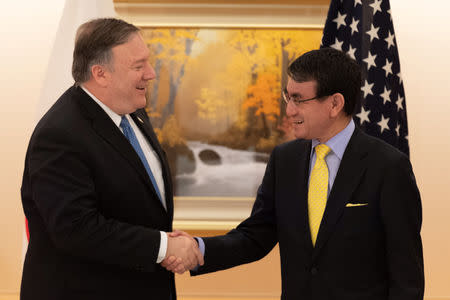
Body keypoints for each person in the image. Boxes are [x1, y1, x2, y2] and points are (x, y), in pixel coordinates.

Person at [164, 48, 424, 299]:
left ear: (335, 104)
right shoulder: (284, 160)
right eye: (287, 97)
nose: (289, 110)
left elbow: (407, 278)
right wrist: (199, 249)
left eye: (299, 99)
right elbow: (255, 236)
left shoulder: (389, 167)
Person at [20, 18, 202, 300]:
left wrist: (164, 242)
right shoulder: (59, 135)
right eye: (138, 66)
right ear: (101, 73)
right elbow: (75, 229)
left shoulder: (133, 111)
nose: (151, 74)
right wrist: (163, 246)